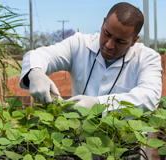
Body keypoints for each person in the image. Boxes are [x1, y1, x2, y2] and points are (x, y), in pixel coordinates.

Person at [19, 2, 162, 113]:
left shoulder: (147, 58)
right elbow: (40, 55)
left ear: (134, 40)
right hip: (79, 140)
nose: (109, 45)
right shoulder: (79, 44)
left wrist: (98, 104)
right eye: (107, 33)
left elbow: (149, 97)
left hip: (124, 145)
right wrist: (35, 72)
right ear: (103, 22)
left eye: (120, 41)